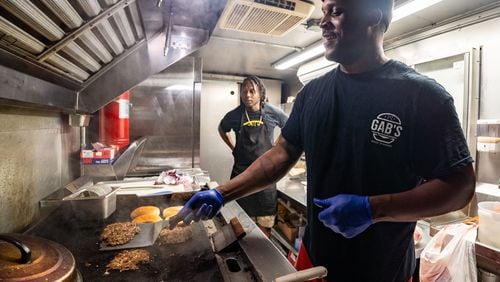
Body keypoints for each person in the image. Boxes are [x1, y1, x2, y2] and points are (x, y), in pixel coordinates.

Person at [170, 0, 476, 280]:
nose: (323, 21)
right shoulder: (312, 94)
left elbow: (460, 186)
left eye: (337, 11)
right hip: (314, 260)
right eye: (324, 11)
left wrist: (374, 208)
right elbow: (281, 155)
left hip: (383, 269)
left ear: (374, 15)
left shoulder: (421, 96)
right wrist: (222, 194)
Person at [218, 76, 288, 236]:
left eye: (252, 91)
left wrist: (277, 146)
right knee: (239, 226)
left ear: (260, 93)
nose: (248, 95)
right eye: (244, 91)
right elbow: (222, 129)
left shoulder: (272, 112)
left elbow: (289, 126)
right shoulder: (235, 115)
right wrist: (232, 147)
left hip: (266, 178)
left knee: (264, 228)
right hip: (241, 176)